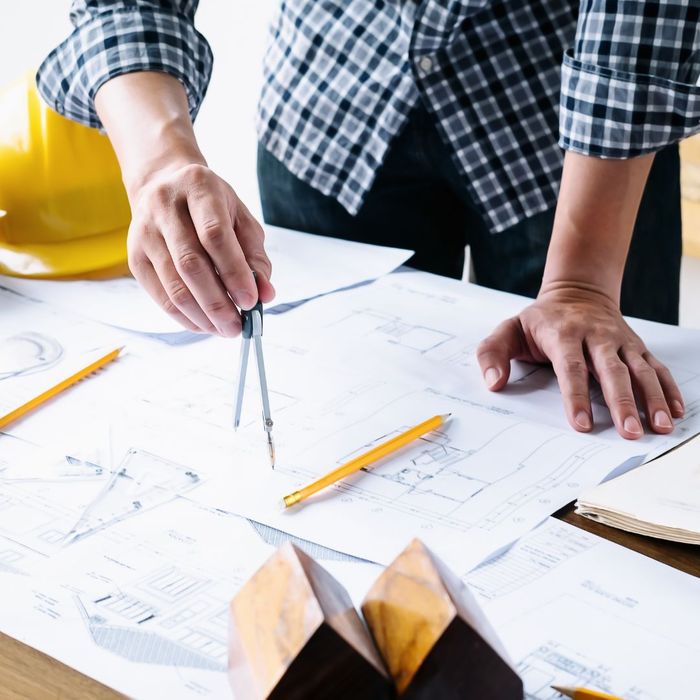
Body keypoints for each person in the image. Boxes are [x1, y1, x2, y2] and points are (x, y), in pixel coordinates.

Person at [37, 1, 698, 439]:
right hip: (331, 108)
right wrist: (157, 163)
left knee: (600, 410)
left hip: (578, 124)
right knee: (350, 413)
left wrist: (579, 285)